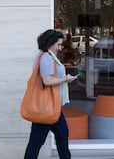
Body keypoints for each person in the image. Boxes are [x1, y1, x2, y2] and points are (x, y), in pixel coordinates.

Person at [24, 29, 78, 159]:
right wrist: (66, 79)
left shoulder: (42, 55)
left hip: (50, 106)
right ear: (50, 43)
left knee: (60, 135)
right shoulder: (47, 58)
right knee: (39, 141)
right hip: (48, 106)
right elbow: (47, 80)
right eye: (58, 45)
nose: (60, 48)